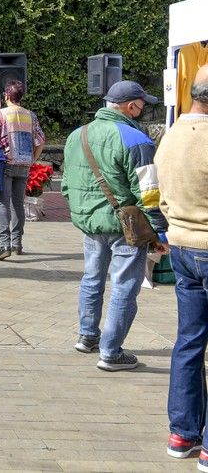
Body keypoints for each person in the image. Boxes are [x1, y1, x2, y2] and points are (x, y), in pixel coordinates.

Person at [62, 80, 168, 371]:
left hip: (90, 222)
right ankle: (111, 352)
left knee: (92, 278)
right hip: (126, 226)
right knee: (124, 286)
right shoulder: (136, 140)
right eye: (142, 103)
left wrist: (81, 212)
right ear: (131, 106)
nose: (144, 108)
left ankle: (87, 337)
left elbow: (66, 185)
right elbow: (149, 192)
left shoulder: (77, 135)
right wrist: (159, 231)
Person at [158, 65, 208, 461]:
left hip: (181, 245)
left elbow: (156, 192)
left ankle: (182, 433)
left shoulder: (171, 134)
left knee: (189, 341)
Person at [0, 80, 46, 260]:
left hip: (5, 164)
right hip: (24, 165)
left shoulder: (0, 114)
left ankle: (4, 244)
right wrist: (33, 158)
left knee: (2, 203)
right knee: (18, 203)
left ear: (6, 96)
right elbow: (41, 140)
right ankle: (17, 243)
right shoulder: (30, 115)